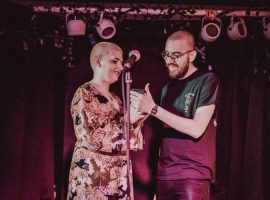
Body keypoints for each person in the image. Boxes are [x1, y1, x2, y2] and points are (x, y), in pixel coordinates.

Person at [130, 30, 219, 200]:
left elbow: (197, 129)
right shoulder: (167, 89)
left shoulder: (207, 80)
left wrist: (154, 109)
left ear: (192, 55)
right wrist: (139, 118)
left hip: (193, 175)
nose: (169, 61)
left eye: (176, 55)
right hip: (165, 176)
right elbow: (164, 134)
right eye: (166, 55)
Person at [67, 42, 145, 200]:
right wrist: (128, 122)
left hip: (118, 175)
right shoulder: (85, 93)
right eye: (114, 61)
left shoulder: (117, 99)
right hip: (94, 175)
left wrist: (138, 120)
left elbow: (130, 142)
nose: (121, 67)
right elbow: (90, 137)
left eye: (121, 62)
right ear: (98, 62)